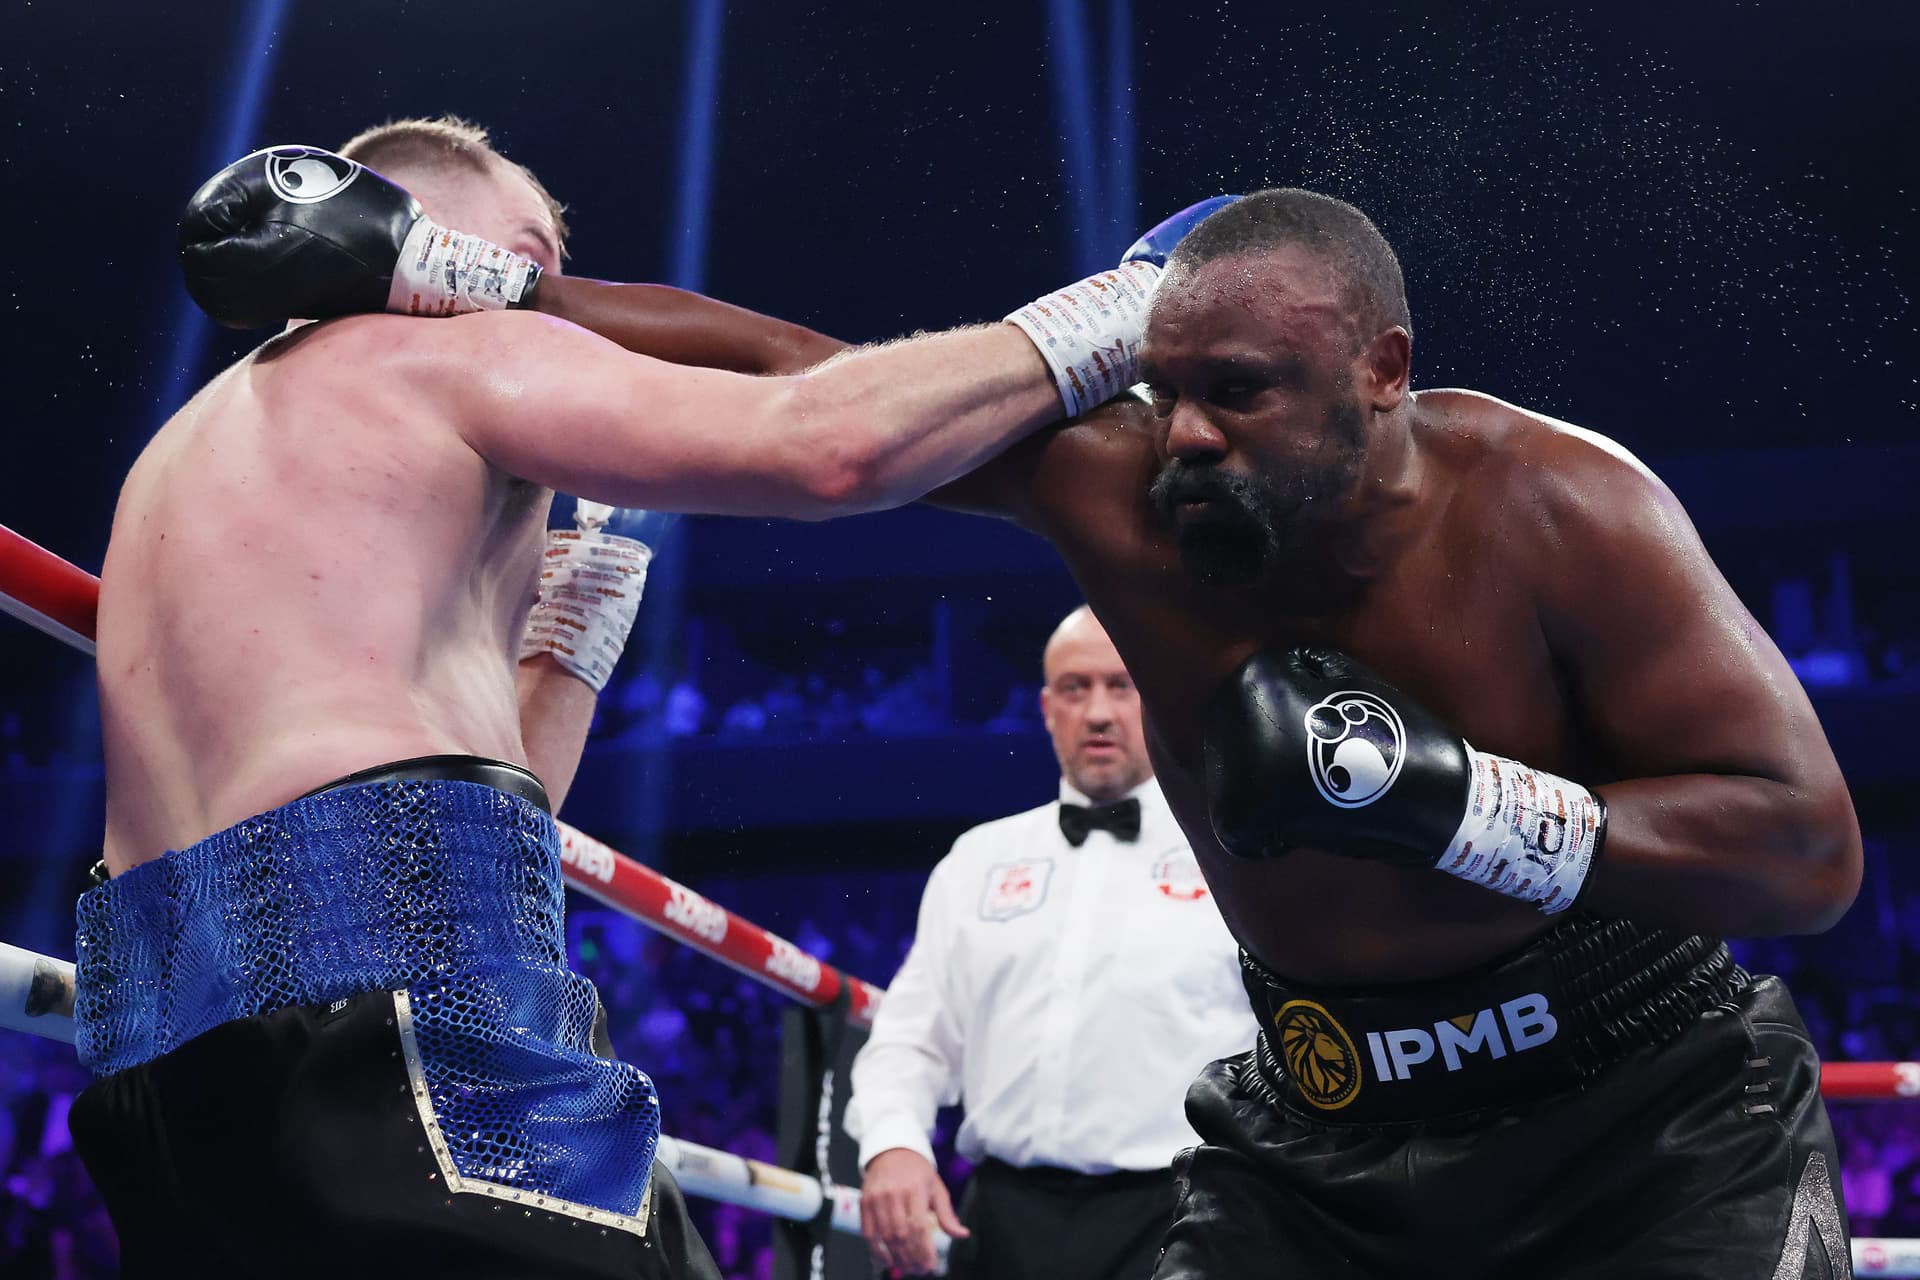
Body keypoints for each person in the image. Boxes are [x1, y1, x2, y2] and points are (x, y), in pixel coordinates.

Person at [264, 184, 1866, 1276]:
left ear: (1381, 373)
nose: (1183, 435)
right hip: (1321, 1130)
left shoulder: (1556, 507)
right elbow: (794, 375)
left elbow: (1805, 849)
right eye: (1164, 386)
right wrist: (452, 274)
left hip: (1644, 1121)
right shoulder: (1118, 489)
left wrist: (1454, 804)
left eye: (1238, 392)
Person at [71, 122, 1204, 1279]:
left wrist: (582, 613)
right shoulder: (434, 357)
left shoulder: (179, 453)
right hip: (398, 989)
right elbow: (830, 444)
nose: (562, 301)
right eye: (530, 250)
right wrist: (1131, 309)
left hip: (159, 1047)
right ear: (431, 231)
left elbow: (489, 806)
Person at [844, 607, 1250, 1280]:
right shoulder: (978, 861)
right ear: (1045, 706)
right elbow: (910, 1038)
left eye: (1121, 686)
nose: (1097, 711)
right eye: (1075, 687)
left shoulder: (1229, 855)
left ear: (1158, 695)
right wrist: (892, 1146)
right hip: (1002, 1221)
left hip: (1188, 1214)